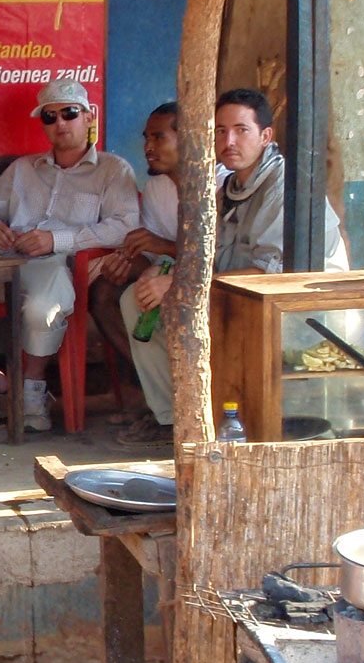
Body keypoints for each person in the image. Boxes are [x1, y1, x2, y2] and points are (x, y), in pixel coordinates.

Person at [118, 88, 349, 447]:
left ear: (265, 136)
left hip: (301, 312)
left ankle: (218, 418)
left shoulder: (283, 187)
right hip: (239, 293)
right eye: (221, 130)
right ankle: (176, 418)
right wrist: (167, 273)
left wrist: (183, 285)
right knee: (137, 299)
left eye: (241, 130)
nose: (229, 140)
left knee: (172, 298)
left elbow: (271, 276)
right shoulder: (230, 186)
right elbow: (211, 256)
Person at [0, 78, 139, 432]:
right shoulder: (23, 169)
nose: (60, 123)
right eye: (50, 117)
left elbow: (124, 228)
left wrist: (56, 240)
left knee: (41, 308)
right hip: (2, 267)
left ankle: (31, 389)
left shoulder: (113, 170)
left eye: (70, 113)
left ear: (89, 116)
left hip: (58, 269)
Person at [87, 103, 179, 386]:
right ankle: (153, 391)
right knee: (103, 291)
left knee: (143, 299)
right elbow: (151, 253)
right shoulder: (155, 188)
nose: (148, 147)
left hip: (211, 277)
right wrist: (125, 263)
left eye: (158, 137)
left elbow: (219, 254)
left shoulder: (221, 184)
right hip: (167, 271)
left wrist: (164, 248)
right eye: (146, 138)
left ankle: (177, 392)